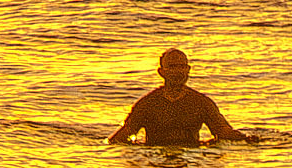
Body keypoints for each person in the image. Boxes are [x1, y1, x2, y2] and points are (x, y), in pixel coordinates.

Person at [107, 48, 256, 146]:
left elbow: (222, 131)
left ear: (188, 70)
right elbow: (121, 138)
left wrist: (248, 139)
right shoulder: (148, 104)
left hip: (192, 155)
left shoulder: (201, 103)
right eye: (172, 67)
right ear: (161, 72)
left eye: (182, 67)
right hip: (155, 155)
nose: (178, 72)